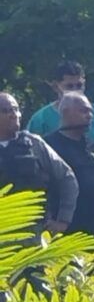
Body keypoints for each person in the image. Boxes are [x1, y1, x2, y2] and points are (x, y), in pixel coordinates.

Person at [27, 60, 94, 201]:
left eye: (79, 85)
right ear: (56, 87)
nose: (76, 90)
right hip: (61, 199)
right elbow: (34, 164)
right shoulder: (41, 120)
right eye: (69, 86)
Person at [0, 92, 78, 234]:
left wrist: (63, 220)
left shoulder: (34, 144)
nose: (14, 115)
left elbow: (67, 177)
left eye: (16, 109)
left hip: (35, 232)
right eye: (6, 111)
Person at [44, 93, 94, 239]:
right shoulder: (49, 146)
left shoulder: (88, 144)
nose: (89, 116)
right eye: (83, 111)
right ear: (65, 112)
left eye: (90, 112)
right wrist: (52, 222)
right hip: (70, 235)